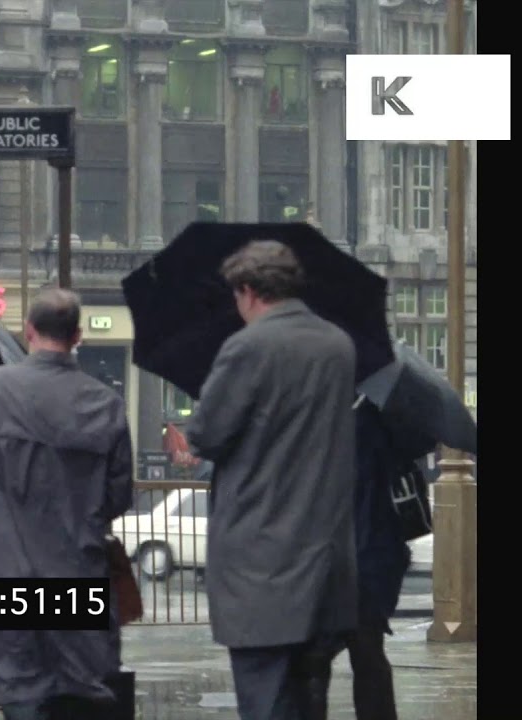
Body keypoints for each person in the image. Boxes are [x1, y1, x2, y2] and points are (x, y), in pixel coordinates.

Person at [0, 288, 135, 720]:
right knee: (80, 693)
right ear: (77, 335)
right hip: (77, 572)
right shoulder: (106, 404)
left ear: (28, 331)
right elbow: (118, 497)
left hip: (3, 573)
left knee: (18, 692)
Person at [184, 241, 359, 720]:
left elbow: (207, 433)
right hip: (325, 563)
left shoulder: (249, 346)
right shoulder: (337, 345)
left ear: (248, 290)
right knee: (309, 701)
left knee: (266, 699)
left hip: (261, 565)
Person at [339, 399, 412, 720]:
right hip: (373, 556)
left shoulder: (352, 425)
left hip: (355, 555)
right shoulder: (380, 421)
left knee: (316, 661)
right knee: (368, 654)